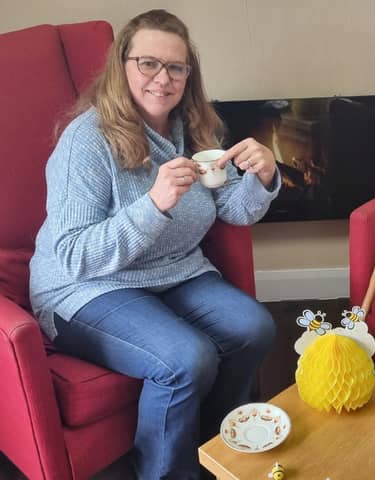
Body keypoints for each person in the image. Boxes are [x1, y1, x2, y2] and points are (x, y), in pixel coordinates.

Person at [29, 9, 280, 480]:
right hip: (86, 287)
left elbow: (235, 210)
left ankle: (214, 449)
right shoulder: (87, 141)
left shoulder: (195, 129)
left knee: (255, 327)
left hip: (172, 271)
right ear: (122, 65)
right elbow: (74, 254)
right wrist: (154, 205)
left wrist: (264, 176)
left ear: (189, 74)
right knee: (187, 358)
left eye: (176, 67)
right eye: (148, 63)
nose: (162, 79)